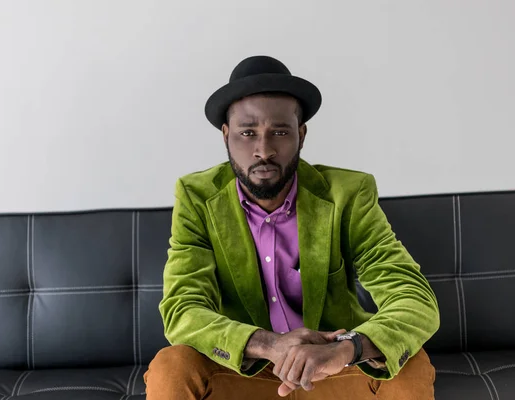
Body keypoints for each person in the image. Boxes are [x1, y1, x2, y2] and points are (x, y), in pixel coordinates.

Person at [144, 55, 440, 399]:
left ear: (301, 134)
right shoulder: (197, 197)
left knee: (411, 364)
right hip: (245, 372)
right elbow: (183, 308)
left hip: (332, 371)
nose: (263, 150)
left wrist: (348, 347)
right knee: (172, 365)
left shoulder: (348, 194)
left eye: (279, 132)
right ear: (226, 136)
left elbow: (414, 298)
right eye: (247, 132)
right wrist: (270, 345)